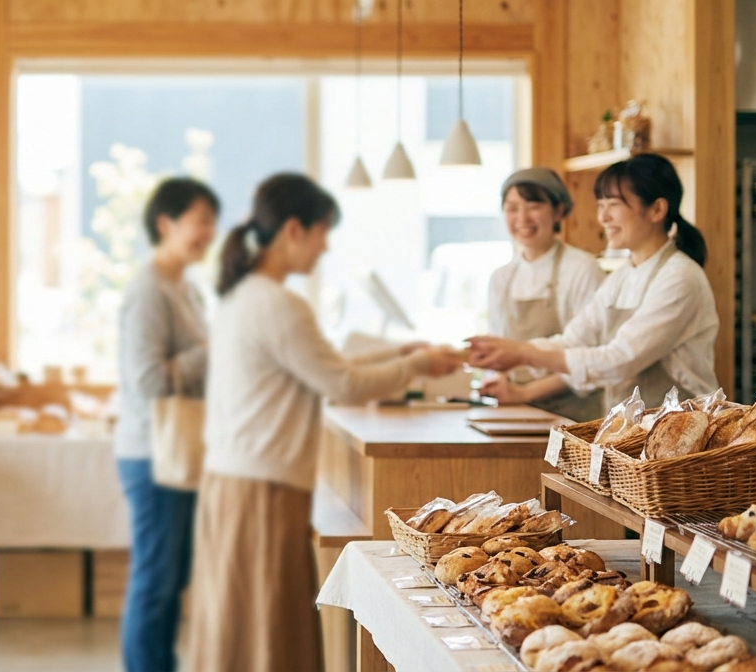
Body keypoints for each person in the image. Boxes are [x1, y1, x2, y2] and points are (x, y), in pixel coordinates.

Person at [188, 173, 463, 672]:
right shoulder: (279, 304)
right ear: (295, 229)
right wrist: (418, 366)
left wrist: (401, 352)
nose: (323, 248)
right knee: (269, 622)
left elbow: (326, 364)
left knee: (235, 621)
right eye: (322, 233)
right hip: (262, 487)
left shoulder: (243, 295)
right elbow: (343, 383)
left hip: (236, 479)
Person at [468, 153, 718, 409]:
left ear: (656, 210)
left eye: (614, 204)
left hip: (681, 430)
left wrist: (524, 353)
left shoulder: (680, 277)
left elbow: (622, 359)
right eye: (601, 204)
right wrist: (511, 352)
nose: (603, 217)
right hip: (633, 430)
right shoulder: (621, 277)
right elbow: (575, 339)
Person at [114, 176, 219, 672]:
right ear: (165, 223)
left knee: (172, 576)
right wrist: (211, 351)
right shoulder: (149, 290)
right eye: (200, 221)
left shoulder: (185, 286)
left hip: (178, 449)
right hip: (152, 452)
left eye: (211, 221)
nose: (210, 232)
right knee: (155, 579)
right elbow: (149, 380)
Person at [480, 167, 607, 421]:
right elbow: (496, 348)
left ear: (558, 211)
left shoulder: (583, 269)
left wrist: (523, 392)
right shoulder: (501, 278)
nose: (522, 219)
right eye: (512, 208)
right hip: (518, 413)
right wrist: (499, 383)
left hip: (574, 417)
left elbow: (593, 358)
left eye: (533, 206)